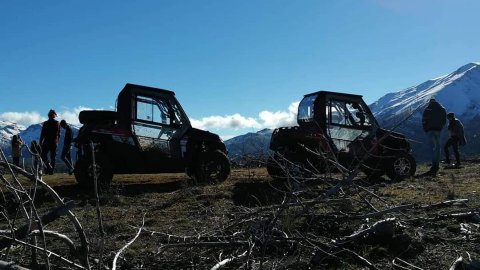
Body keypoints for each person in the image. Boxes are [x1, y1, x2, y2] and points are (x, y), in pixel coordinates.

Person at [422, 98, 447, 175]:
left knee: (431, 147)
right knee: (438, 147)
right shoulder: (442, 109)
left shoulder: (427, 109)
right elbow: (444, 120)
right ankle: (437, 164)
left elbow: (424, 120)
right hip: (438, 129)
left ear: (429, 102)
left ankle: (433, 163)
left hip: (429, 130)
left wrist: (425, 129)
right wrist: (441, 126)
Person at [39, 109, 61, 174]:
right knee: (53, 157)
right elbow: (58, 134)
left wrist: (40, 142)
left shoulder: (45, 123)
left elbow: (42, 134)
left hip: (47, 141)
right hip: (54, 142)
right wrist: (57, 141)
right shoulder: (57, 123)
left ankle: (48, 166)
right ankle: (51, 171)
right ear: (54, 115)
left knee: (43, 155)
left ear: (48, 115)